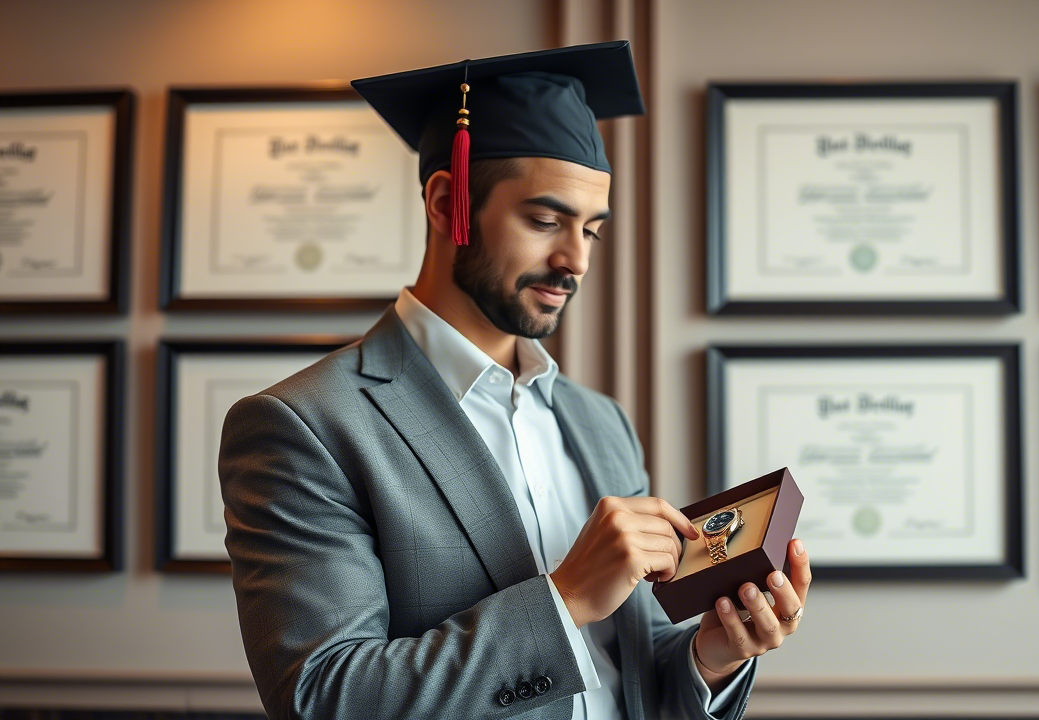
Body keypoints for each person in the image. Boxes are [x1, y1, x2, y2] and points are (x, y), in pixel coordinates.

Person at [217, 40, 809, 720]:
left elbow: (632, 674)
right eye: (545, 220)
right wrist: (565, 599)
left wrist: (713, 656)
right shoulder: (305, 425)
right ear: (447, 204)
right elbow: (324, 698)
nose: (575, 260)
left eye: (591, 230)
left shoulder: (600, 423)